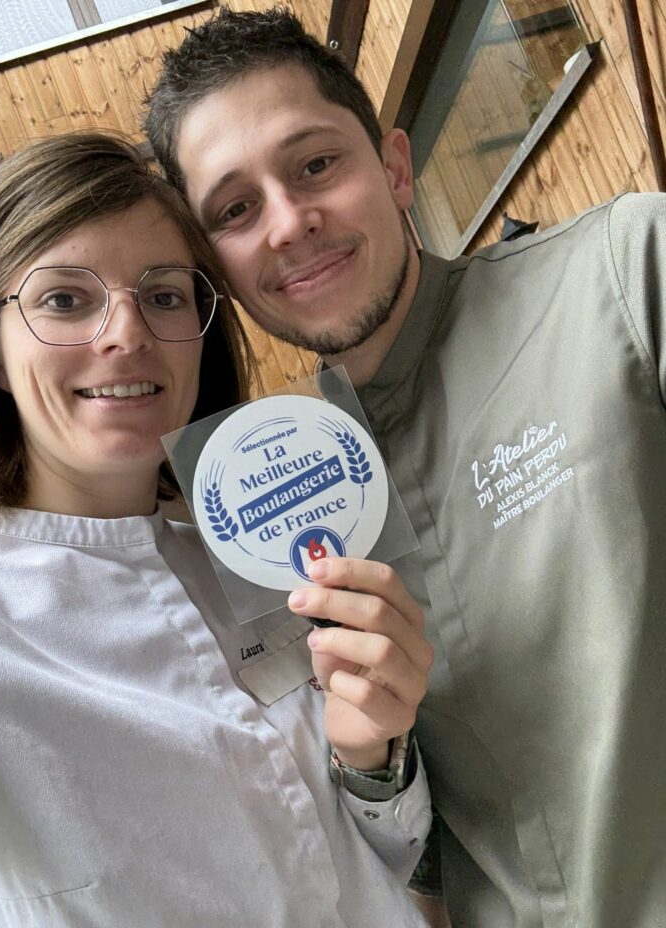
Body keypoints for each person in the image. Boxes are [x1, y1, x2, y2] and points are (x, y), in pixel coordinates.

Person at [144, 7, 666, 928]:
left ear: (392, 166)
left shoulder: (627, 276)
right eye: (234, 208)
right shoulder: (267, 530)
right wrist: (372, 761)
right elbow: (405, 867)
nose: (290, 222)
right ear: (214, 264)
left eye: (315, 164)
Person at [0, 131, 435, 928]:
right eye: (64, 299)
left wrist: (372, 760)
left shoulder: (266, 559)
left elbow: (390, 865)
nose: (126, 333)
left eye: (163, 294)